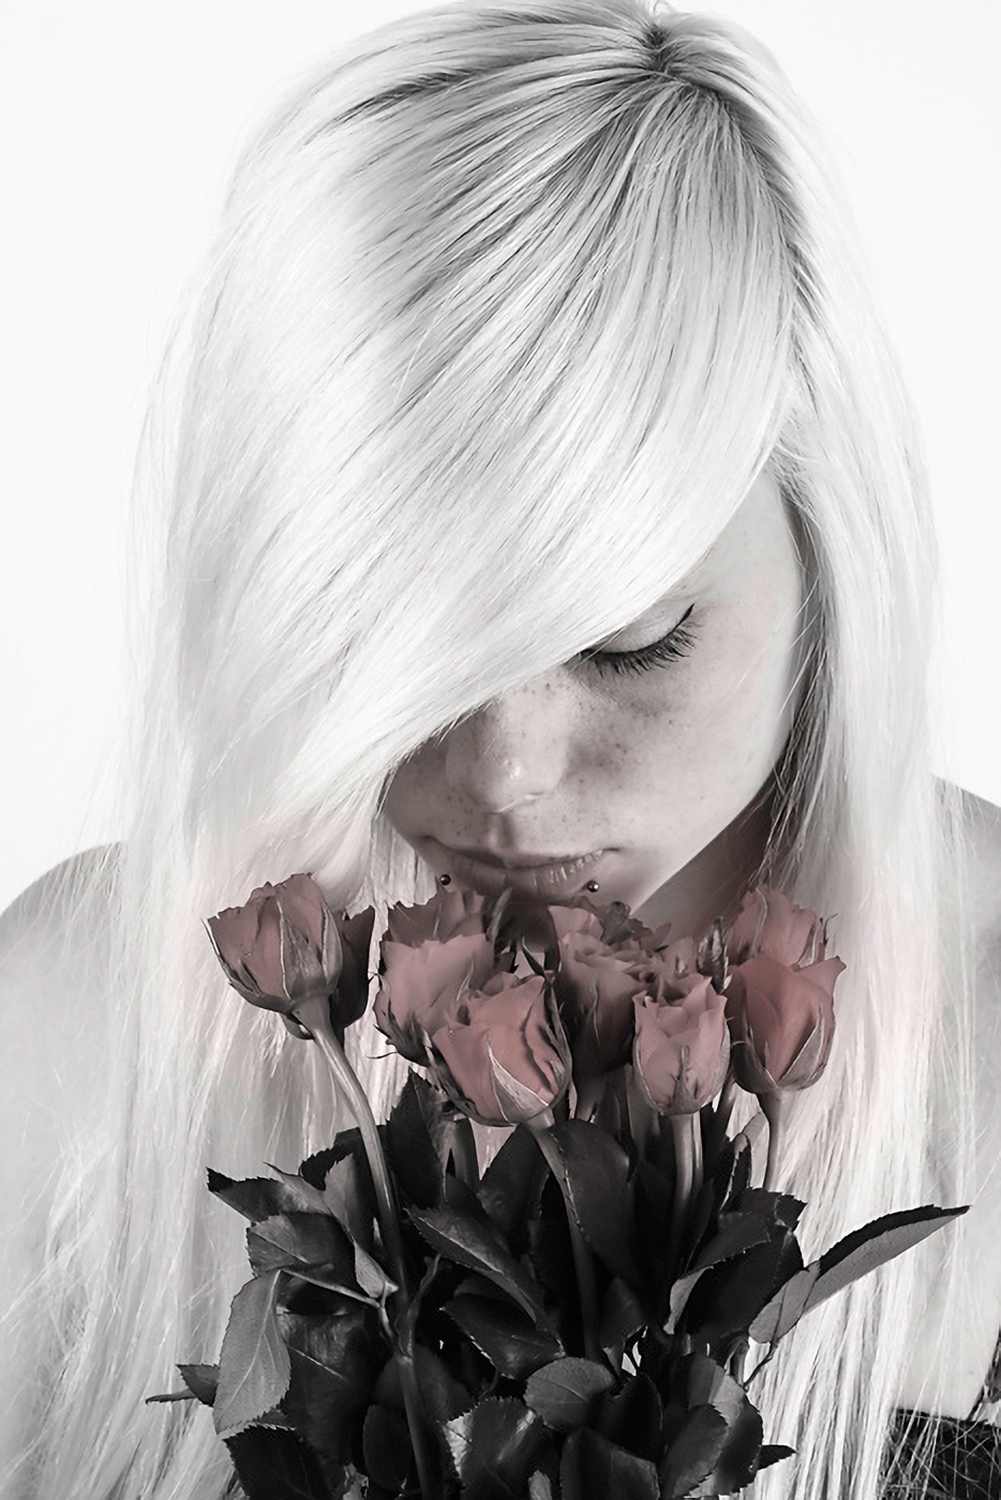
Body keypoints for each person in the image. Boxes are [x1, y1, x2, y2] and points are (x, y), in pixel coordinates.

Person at [1, 0, 999, 1495]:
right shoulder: (78, 1028)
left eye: (633, 641)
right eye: (399, 647)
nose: (504, 777)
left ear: (827, 555)